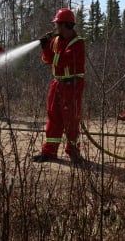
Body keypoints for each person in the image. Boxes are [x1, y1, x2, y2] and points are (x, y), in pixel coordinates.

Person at [33, 8, 85, 163]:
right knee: (53, 117)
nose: (56, 27)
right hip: (57, 84)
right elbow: (47, 59)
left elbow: (62, 61)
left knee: (70, 119)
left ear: (67, 25)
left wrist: (47, 51)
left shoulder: (77, 43)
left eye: (58, 24)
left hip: (72, 85)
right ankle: (49, 152)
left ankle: (73, 152)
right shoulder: (56, 41)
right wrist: (45, 47)